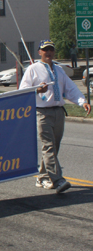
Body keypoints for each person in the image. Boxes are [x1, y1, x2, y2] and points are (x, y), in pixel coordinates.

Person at [19, 40, 91, 193]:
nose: (49, 53)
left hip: (58, 112)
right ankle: (58, 180)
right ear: (39, 52)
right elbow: (22, 91)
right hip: (42, 112)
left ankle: (43, 176)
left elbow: (70, 88)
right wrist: (38, 90)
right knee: (48, 147)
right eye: (45, 50)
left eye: (51, 49)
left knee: (54, 146)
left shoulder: (59, 70)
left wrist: (82, 102)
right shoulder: (33, 69)